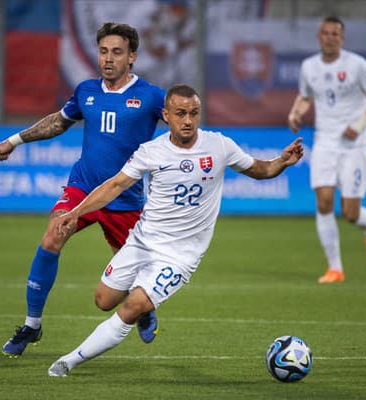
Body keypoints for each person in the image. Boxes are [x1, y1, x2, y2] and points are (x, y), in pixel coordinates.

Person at [46, 84, 304, 377]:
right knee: (103, 300)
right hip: (142, 241)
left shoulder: (219, 146)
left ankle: (68, 361)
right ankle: (144, 301)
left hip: (181, 254)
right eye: (180, 113)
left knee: (134, 305)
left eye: (194, 113)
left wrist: (282, 161)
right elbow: (115, 185)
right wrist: (76, 212)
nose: (188, 120)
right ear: (166, 115)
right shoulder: (151, 151)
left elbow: (259, 169)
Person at [0, 22, 166, 357]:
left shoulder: (152, 96)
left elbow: (182, 126)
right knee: (54, 233)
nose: (108, 58)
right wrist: (14, 141)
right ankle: (31, 325)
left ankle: (142, 307)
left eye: (117, 52)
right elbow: (58, 121)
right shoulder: (86, 91)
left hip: (125, 199)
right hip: (82, 188)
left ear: (132, 58)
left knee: (129, 279)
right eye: (103, 51)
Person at [287, 16, 366, 284]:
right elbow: (306, 95)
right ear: (319, 36)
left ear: (342, 39)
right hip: (324, 142)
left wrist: (361, 122)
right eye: (326, 32)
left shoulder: (356, 65)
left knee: (351, 212)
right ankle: (335, 268)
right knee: (323, 203)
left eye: (335, 33)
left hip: (354, 145)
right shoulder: (309, 67)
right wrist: (296, 113)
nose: (330, 37)